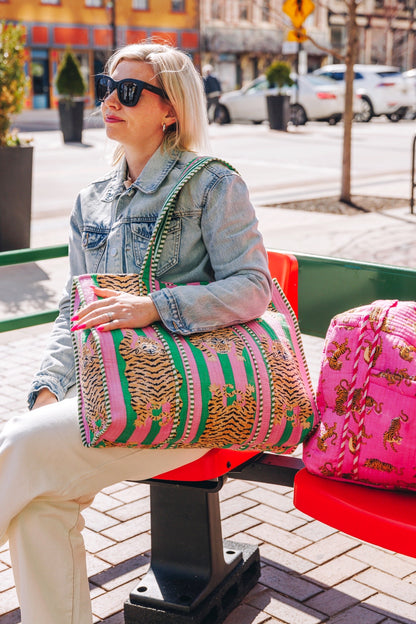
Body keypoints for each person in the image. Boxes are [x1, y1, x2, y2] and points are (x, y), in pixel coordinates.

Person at [0, 42, 272, 624]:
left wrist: (157, 305)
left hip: (190, 405)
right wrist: (49, 389)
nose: (109, 101)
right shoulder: (90, 201)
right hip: (112, 397)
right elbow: (74, 309)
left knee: (18, 449)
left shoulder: (212, 185)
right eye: (107, 86)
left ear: (170, 108)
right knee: (38, 506)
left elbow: (254, 287)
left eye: (129, 91)